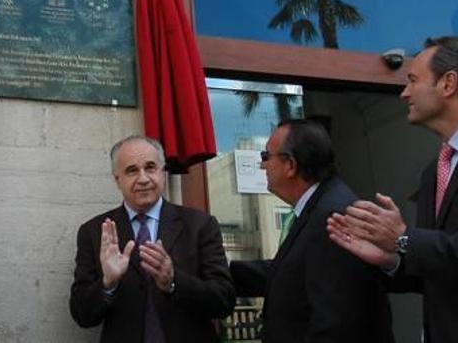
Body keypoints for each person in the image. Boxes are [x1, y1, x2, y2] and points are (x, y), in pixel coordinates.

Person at [328, 35, 458, 342]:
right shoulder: (433, 172)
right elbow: (440, 269)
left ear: (449, 84)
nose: (404, 93)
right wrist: (392, 258)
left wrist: (404, 240)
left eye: (413, 80)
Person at [230, 119, 393, 342]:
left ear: (290, 165)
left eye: (266, 156)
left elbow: (336, 321)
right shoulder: (318, 207)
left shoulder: (333, 217)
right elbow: (292, 273)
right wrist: (215, 271)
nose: (261, 165)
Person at [69, 135, 235, 342]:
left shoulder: (200, 225)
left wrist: (173, 282)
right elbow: (82, 315)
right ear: (117, 179)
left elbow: (224, 301)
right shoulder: (94, 232)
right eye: (132, 171)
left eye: (150, 167)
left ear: (163, 172)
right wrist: (107, 283)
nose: (143, 179)